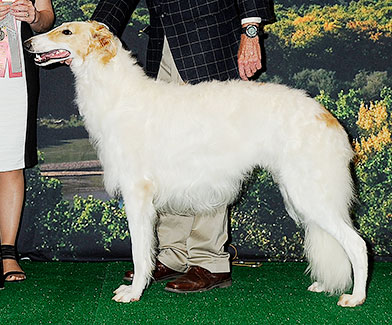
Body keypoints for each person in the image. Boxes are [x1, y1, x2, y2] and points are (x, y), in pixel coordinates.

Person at [91, 0, 276, 293]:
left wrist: (250, 31)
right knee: (165, 160)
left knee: (209, 156)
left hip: (209, 42)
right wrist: (94, 29)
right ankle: (173, 254)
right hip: (162, 42)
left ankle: (208, 260)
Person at [0, 0, 54, 286]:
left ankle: (8, 253)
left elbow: (46, 20)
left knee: (10, 163)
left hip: (13, 79)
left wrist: (34, 16)